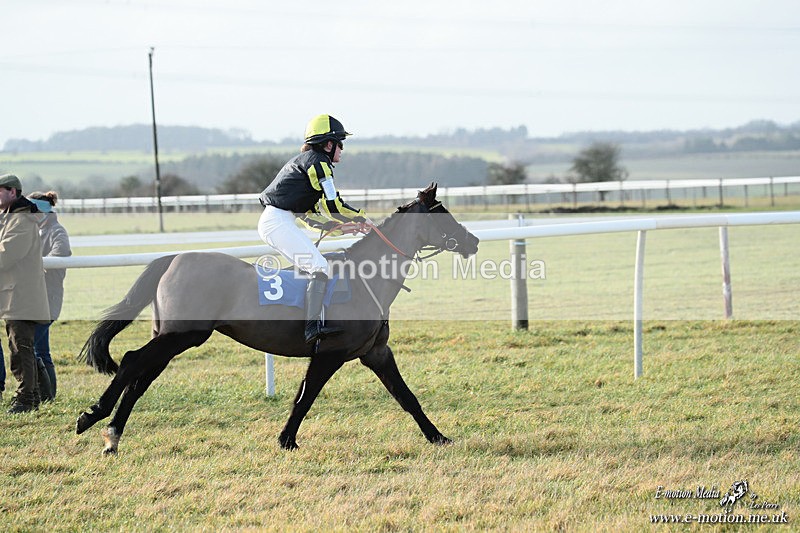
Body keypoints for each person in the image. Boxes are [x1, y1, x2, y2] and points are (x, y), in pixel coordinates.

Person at [258, 114, 371, 344]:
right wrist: (361, 218)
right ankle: (311, 328)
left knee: (314, 265)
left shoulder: (312, 161)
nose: (342, 149)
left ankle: (306, 318)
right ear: (328, 144)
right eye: (340, 143)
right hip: (277, 222)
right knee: (319, 265)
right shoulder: (319, 163)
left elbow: (311, 216)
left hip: (279, 221)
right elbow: (334, 205)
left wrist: (343, 228)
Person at [0, 173, 50, 413]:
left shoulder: (20, 220)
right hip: (15, 293)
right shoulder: (13, 217)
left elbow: (6, 255)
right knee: (20, 347)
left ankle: (26, 399)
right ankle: (33, 395)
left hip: (20, 295)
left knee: (21, 350)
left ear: (13, 192)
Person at [27, 191, 71, 401]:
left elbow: (61, 254)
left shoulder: (57, 231)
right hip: (36, 299)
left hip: (48, 299)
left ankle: (44, 395)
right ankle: (46, 395)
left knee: (36, 348)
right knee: (41, 349)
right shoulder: (36, 230)